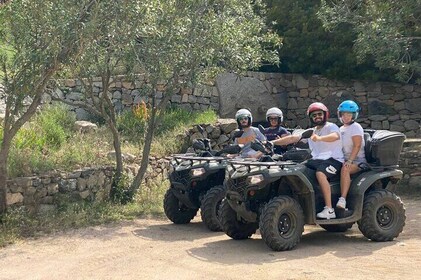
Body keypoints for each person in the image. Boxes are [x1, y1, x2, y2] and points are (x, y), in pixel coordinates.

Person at [271, 102, 344, 219]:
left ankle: (329, 209)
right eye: (314, 115)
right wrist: (271, 142)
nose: (317, 117)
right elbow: (292, 138)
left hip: (334, 160)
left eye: (320, 114)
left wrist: (319, 138)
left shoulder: (331, 127)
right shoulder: (311, 131)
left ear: (325, 115)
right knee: (296, 169)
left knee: (320, 174)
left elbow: (335, 136)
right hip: (316, 160)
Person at [337, 100, 366, 209]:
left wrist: (349, 161)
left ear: (354, 115)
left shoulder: (356, 127)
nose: (346, 117)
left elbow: (357, 146)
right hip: (344, 159)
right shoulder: (341, 129)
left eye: (349, 114)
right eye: (343, 114)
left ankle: (342, 199)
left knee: (345, 169)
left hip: (358, 161)